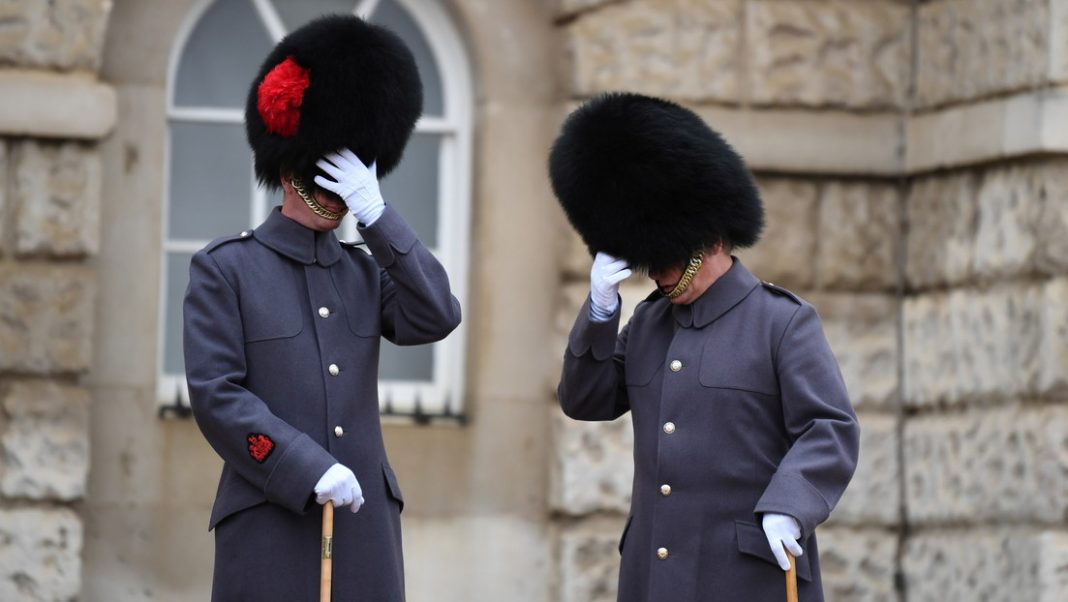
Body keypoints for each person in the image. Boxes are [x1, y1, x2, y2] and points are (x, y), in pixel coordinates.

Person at [183, 15, 460, 601]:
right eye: (327, 175)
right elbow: (217, 396)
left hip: (364, 528)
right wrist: (306, 466)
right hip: (268, 519)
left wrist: (379, 214)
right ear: (291, 171)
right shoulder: (226, 269)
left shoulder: (364, 270)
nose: (336, 195)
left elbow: (437, 313)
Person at [550, 92, 859, 601]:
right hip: (653, 576)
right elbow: (585, 400)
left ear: (712, 240)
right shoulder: (648, 322)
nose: (659, 273)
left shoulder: (781, 322)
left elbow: (830, 428)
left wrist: (790, 503)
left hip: (744, 575)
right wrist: (601, 310)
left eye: (666, 257)